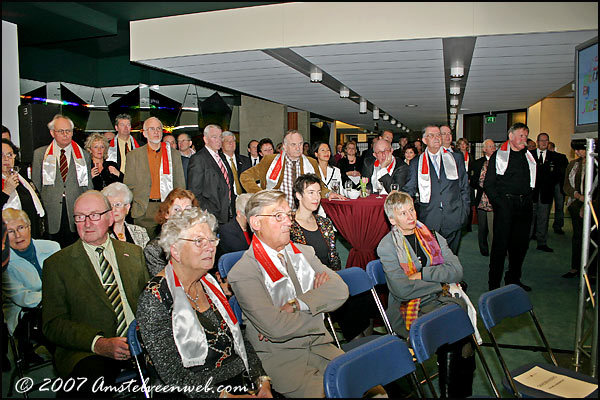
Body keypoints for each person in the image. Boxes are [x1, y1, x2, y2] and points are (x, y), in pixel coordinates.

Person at [136, 207, 272, 398]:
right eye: (199, 241)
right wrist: (224, 397)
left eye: (212, 240)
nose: (210, 247)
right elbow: (174, 376)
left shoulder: (210, 284)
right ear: (175, 250)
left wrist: (262, 381)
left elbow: (240, 338)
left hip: (239, 381)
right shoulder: (155, 297)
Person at [227, 189, 348, 397]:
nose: (288, 222)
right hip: (285, 361)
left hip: (322, 346)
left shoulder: (303, 252)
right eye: (278, 216)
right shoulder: (244, 272)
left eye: (288, 215)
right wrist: (318, 308)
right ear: (256, 223)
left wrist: (298, 304)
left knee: (374, 390)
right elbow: (276, 327)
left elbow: (340, 290)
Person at [42, 190, 149, 396]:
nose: (87, 223)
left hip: (139, 339)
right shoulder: (57, 265)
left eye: (94, 215)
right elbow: (53, 324)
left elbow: (148, 301)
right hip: (89, 350)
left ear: (110, 217)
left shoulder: (133, 253)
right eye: (80, 217)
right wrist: (98, 344)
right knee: (89, 384)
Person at [377, 191, 476, 398]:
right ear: (392, 219)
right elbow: (402, 290)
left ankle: (452, 392)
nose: (411, 217)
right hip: (409, 308)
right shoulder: (387, 247)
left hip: (440, 300)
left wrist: (423, 273)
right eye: (403, 213)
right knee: (455, 329)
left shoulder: (431, 234)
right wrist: (440, 282)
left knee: (454, 326)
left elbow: (457, 271)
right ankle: (454, 393)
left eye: (411, 210)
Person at [2, 208, 60, 365]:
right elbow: (23, 298)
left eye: (21, 228)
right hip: (26, 316)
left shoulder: (52, 247)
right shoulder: (5, 264)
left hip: (58, 306)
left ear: (29, 227)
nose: (18, 235)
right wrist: (56, 298)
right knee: (59, 330)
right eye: (10, 232)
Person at [484, 123, 536, 291]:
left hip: (524, 207)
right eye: (521, 136)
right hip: (505, 206)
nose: (524, 139)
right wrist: (501, 204)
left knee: (520, 246)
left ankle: (513, 280)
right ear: (511, 137)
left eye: (526, 136)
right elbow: (489, 185)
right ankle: (493, 285)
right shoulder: (498, 156)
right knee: (500, 247)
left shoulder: (528, 157)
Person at [404, 124, 470, 254]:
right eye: (431, 135)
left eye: (438, 135)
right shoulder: (417, 162)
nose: (436, 138)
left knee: (451, 259)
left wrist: (465, 213)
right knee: (432, 259)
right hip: (429, 218)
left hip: (454, 216)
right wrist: (398, 197)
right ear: (424, 140)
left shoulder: (455, 158)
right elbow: (410, 188)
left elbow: (464, 187)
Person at [240, 130, 343, 209]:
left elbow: (319, 185)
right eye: (293, 144)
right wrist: (260, 195)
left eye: (300, 144)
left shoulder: (311, 162)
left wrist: (329, 193)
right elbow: (245, 177)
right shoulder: (270, 161)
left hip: (302, 213)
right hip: (277, 213)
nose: (298, 148)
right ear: (284, 146)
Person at [32, 114, 93, 248]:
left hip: (76, 211)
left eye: (68, 131)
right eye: (61, 131)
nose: (65, 134)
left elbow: (88, 186)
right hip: (51, 211)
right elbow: (35, 187)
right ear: (52, 133)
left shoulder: (84, 155)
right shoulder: (40, 155)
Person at [124, 116, 186, 240]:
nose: (156, 132)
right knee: (144, 249)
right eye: (152, 129)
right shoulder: (134, 155)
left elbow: (180, 184)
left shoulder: (173, 154)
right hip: (144, 210)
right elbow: (128, 185)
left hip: (168, 208)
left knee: (169, 247)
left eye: (159, 129)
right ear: (145, 133)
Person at [561, 141, 598, 278]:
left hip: (594, 206)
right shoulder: (573, 165)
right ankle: (575, 267)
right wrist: (577, 196)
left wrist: (587, 203)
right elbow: (566, 185)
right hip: (575, 204)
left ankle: (592, 273)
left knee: (592, 238)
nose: (576, 152)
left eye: (578, 150)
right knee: (577, 237)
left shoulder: (596, 165)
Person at [290, 174, 341, 270]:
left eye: (318, 193)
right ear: (299, 195)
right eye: (311, 193)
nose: (316, 197)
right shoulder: (288, 225)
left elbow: (334, 258)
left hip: (330, 276)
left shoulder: (325, 222)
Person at [144, 188, 199, 276]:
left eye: (188, 210)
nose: (183, 214)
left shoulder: (199, 241)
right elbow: (164, 283)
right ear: (166, 214)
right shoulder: (154, 249)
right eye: (177, 209)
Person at [187, 124, 235, 225]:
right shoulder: (199, 159)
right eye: (214, 137)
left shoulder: (222, 157)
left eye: (220, 137)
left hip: (227, 214)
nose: (219, 140)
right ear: (205, 139)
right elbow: (194, 192)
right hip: (212, 216)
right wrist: (210, 212)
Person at [2, 139, 48, 239]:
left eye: (9, 154)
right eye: (1, 155)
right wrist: (6, 191)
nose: (6, 159)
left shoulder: (20, 176)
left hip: (31, 230)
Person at [530, 132, 561, 252]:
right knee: (529, 219)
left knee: (543, 218)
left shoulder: (554, 157)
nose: (543, 143)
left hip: (546, 193)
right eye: (541, 140)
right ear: (537, 142)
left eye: (546, 140)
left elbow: (557, 175)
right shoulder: (529, 155)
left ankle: (541, 242)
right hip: (532, 193)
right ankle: (525, 241)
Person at [101, 182, 150, 248]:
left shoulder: (140, 232)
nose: (113, 209)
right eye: (110, 206)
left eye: (118, 205)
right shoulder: (100, 233)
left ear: (127, 207)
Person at [469, 139, 496, 256]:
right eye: (490, 146)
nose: (493, 148)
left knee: (494, 226)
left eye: (494, 146)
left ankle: (495, 249)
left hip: (495, 200)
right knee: (482, 226)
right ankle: (483, 248)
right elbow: (473, 181)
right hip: (481, 198)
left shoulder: (500, 162)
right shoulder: (477, 163)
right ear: (484, 149)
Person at [222, 131, 252, 214]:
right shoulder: (219, 162)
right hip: (227, 203)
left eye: (233, 141)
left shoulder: (245, 160)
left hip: (244, 200)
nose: (231, 143)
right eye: (227, 141)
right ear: (221, 144)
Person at [548, 141, 568, 235]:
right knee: (545, 207)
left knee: (559, 206)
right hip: (547, 185)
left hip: (559, 185)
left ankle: (558, 226)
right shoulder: (544, 157)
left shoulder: (561, 157)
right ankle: (543, 226)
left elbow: (565, 172)